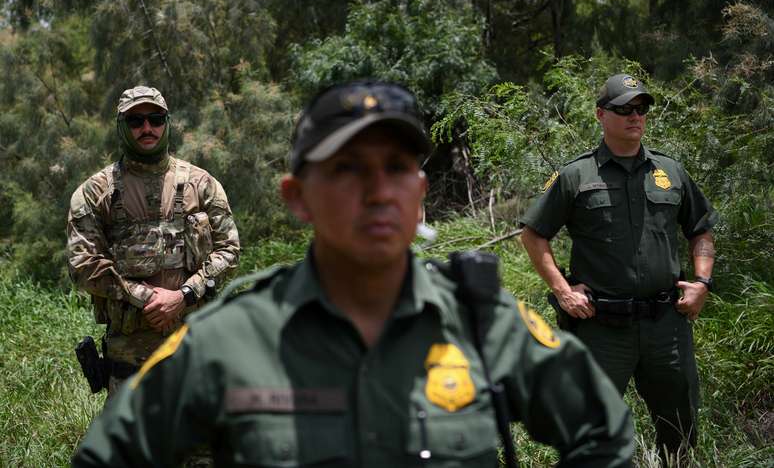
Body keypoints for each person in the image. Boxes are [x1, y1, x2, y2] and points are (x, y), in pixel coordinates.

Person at [72, 81, 634, 467]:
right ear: (297, 197)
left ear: (419, 191)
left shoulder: (484, 324)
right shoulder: (229, 338)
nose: (377, 191)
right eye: (346, 169)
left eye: (396, 167)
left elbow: (604, 432)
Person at [520, 73, 718, 463]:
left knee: (680, 428)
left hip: (667, 326)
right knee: (592, 429)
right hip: (601, 329)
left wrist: (702, 282)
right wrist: (563, 290)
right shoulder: (577, 174)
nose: (635, 116)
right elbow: (533, 234)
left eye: (641, 109)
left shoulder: (670, 172)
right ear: (600, 114)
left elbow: (701, 230)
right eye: (623, 109)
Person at [67, 85, 240, 395]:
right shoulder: (94, 193)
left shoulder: (201, 184)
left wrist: (185, 294)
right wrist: (144, 297)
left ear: (167, 122)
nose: (147, 128)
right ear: (122, 127)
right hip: (130, 364)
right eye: (136, 121)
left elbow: (229, 251)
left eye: (155, 119)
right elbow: (82, 265)